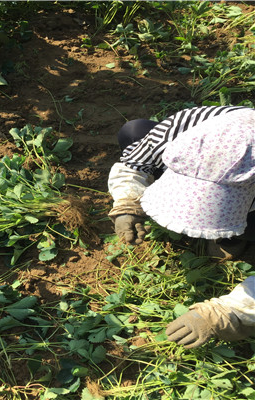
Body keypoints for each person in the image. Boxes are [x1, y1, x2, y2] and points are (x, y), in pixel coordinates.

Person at [108, 105, 255, 348]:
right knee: (134, 131)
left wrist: (226, 313)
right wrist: (127, 202)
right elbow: (133, 165)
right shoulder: (188, 125)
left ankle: (237, 237)